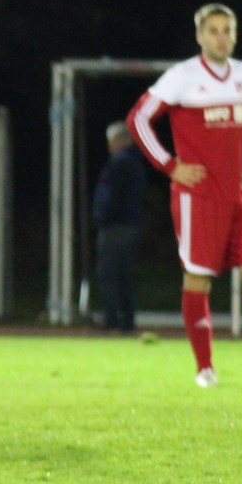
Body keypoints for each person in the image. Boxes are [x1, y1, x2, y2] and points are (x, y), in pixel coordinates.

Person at [126, 3, 242, 388]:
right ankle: (205, 368)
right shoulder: (182, 76)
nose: (220, 37)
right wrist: (170, 165)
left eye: (227, 30)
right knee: (198, 278)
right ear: (199, 36)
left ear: (234, 34)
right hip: (198, 198)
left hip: (237, 196)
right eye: (212, 30)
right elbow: (138, 119)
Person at [92, 121, 147, 333]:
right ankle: (127, 320)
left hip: (116, 226)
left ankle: (112, 318)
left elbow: (110, 196)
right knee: (125, 274)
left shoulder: (119, 163)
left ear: (119, 140)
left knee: (109, 273)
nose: (109, 146)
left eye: (112, 141)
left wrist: (102, 216)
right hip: (131, 224)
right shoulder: (135, 162)